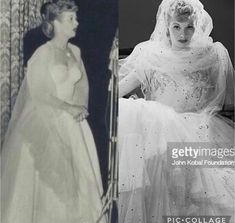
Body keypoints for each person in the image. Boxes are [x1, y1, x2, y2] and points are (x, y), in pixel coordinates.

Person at [118, 0, 234, 222]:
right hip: (159, 129)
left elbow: (226, 102)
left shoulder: (212, 54)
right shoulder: (151, 55)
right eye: (176, 27)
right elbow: (119, 90)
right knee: (139, 119)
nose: (183, 34)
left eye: (189, 27)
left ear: (197, 25)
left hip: (197, 126)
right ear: (166, 26)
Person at [1, 1, 106, 222]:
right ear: (55, 23)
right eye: (70, 19)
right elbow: (39, 93)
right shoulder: (42, 53)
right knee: (52, 189)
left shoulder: (76, 51)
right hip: (46, 121)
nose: (76, 23)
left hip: (74, 123)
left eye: (75, 18)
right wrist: (68, 108)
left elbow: (83, 86)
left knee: (80, 183)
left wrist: (80, 108)